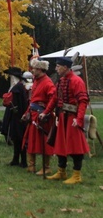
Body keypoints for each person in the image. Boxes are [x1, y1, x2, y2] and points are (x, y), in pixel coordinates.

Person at [45, 55, 90, 184]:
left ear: (65, 67)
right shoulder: (60, 81)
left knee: (75, 147)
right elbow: (54, 99)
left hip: (72, 118)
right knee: (60, 146)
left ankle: (76, 175)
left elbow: (82, 101)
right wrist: (46, 112)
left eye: (58, 67)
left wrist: (79, 118)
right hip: (62, 117)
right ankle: (61, 171)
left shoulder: (77, 81)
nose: (56, 69)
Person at [21, 57, 56, 175]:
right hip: (33, 114)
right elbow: (33, 101)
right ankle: (31, 166)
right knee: (31, 141)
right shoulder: (36, 81)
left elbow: (53, 98)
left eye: (34, 68)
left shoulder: (48, 82)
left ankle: (46, 167)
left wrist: (46, 110)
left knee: (44, 142)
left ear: (40, 69)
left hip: (42, 117)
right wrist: (27, 112)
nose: (32, 71)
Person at [1, 67, 29, 167]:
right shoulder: (17, 87)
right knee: (16, 138)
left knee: (20, 138)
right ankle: (16, 159)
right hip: (15, 116)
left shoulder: (18, 88)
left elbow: (20, 103)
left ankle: (23, 161)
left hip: (18, 116)